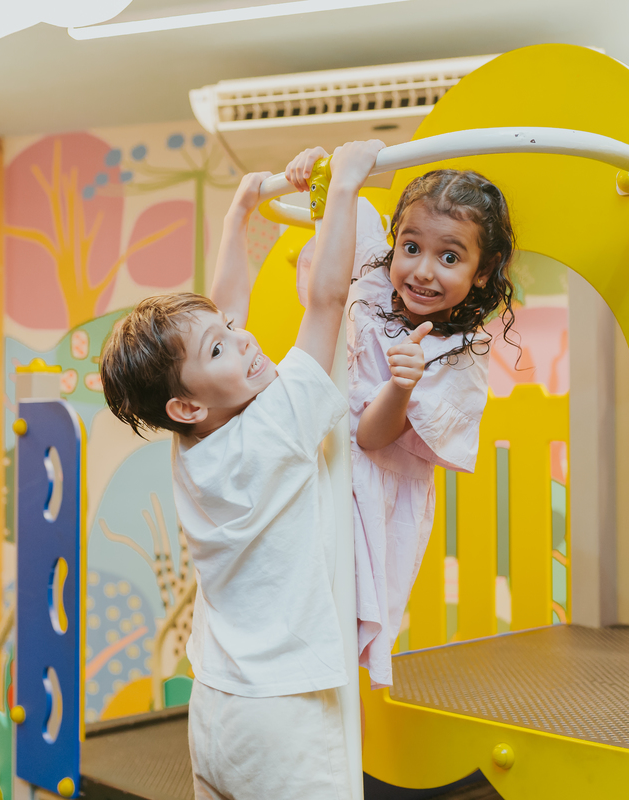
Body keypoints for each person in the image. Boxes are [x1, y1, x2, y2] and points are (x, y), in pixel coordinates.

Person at [99, 139, 384, 800]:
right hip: (284, 712)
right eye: (224, 346)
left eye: (230, 328)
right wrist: (341, 189)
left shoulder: (197, 443)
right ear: (187, 402)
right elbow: (327, 303)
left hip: (219, 708)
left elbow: (223, 311)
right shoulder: (273, 430)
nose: (246, 338)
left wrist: (240, 215)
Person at [285, 150, 517, 689]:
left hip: (374, 492)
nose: (422, 271)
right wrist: (316, 169)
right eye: (410, 247)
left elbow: (370, 437)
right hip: (322, 464)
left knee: (339, 621)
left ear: (482, 274)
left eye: (449, 257)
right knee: (296, 600)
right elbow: (340, 210)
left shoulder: (458, 355)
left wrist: (402, 385)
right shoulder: (371, 275)